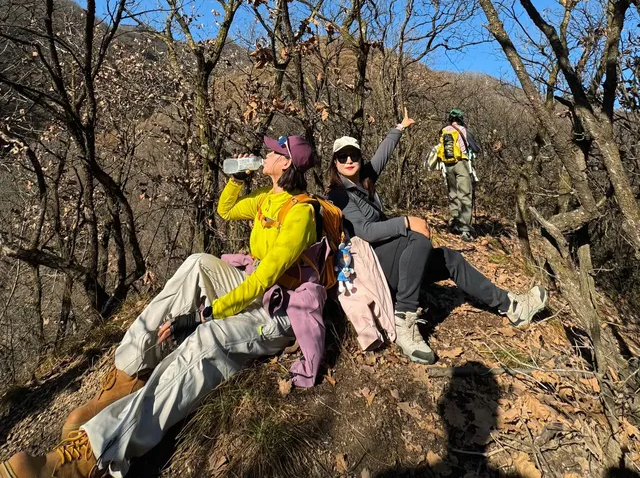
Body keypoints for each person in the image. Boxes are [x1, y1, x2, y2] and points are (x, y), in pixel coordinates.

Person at [0, 135, 319, 478]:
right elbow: (225, 211)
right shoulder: (265, 199)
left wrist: (203, 314)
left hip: (278, 309)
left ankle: (90, 456)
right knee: (198, 261)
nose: (265, 154)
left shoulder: (300, 213)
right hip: (252, 286)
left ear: (285, 163)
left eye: (273, 152)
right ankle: (129, 374)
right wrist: (236, 179)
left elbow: (264, 281)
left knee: (206, 340)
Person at [326, 110, 547, 365]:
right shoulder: (338, 195)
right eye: (343, 157)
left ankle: (511, 306)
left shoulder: (364, 179)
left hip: (394, 257)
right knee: (417, 238)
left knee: (449, 258)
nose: (349, 160)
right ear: (335, 163)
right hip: (373, 264)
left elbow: (382, 155)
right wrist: (405, 222)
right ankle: (404, 318)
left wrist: (400, 127)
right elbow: (365, 232)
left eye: (354, 154)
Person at [439, 108, 481, 240]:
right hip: (461, 164)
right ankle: (465, 230)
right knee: (465, 195)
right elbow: (476, 149)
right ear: (461, 119)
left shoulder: (444, 131)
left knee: (453, 194)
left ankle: (454, 223)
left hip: (447, 166)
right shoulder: (464, 131)